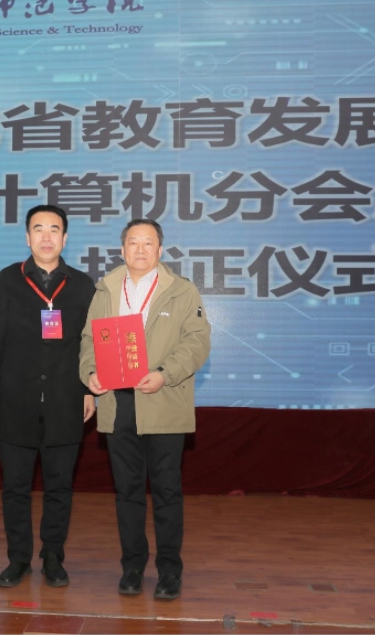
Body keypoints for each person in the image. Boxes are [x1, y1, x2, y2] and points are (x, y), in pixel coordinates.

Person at [79, 218, 211, 600]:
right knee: (127, 492)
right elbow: (88, 340)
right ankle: (132, 567)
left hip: (162, 400)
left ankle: (169, 571)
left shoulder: (181, 290)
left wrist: (164, 374)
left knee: (167, 490)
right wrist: (90, 373)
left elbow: (197, 342)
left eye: (148, 243)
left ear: (160, 249)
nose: (140, 249)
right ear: (122, 250)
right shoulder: (105, 289)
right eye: (133, 242)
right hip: (118, 403)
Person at [0, 204, 96, 588]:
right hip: (15, 400)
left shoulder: (82, 285)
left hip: (66, 400)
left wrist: (88, 389)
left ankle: (53, 557)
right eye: (39, 229)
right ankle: (18, 559)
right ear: (27, 238)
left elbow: (89, 345)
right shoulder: (7, 280)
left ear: (65, 237)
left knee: (60, 487)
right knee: (16, 488)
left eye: (54, 229)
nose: (47, 237)